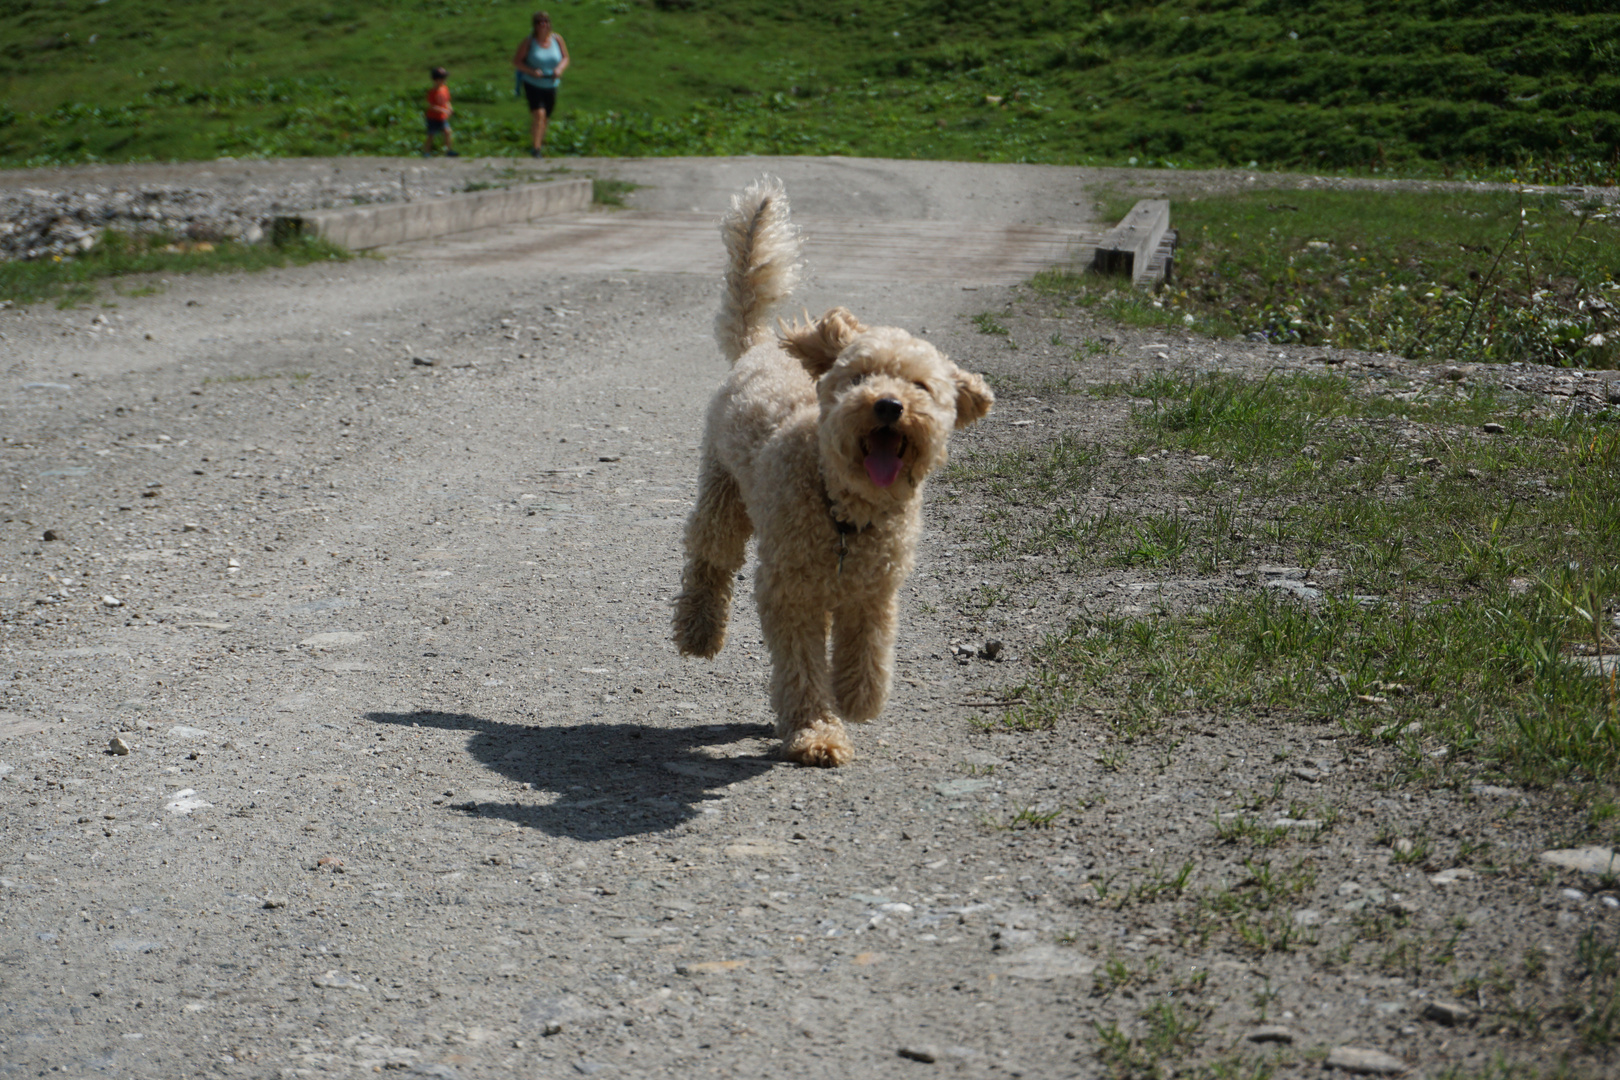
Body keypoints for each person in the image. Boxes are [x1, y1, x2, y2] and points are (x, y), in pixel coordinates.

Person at [512, 11, 569, 158]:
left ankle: (539, 143)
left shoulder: (557, 39)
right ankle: (536, 149)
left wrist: (559, 69)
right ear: (535, 26)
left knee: (546, 117)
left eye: (545, 21)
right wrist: (531, 71)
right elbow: (517, 62)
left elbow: (565, 58)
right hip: (533, 83)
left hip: (551, 83)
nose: (543, 24)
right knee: (539, 114)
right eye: (539, 22)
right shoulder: (529, 42)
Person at [423, 66, 459, 157]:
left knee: (447, 132)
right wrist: (443, 110)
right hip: (432, 117)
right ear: (436, 80)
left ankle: (449, 150)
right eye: (442, 78)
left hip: (442, 117)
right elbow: (431, 106)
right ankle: (426, 152)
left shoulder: (445, 89)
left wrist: (449, 108)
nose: (444, 80)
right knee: (431, 134)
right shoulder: (432, 92)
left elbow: (447, 101)